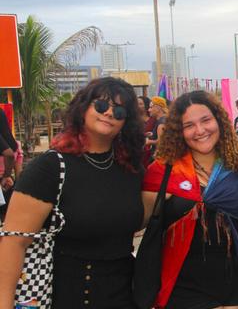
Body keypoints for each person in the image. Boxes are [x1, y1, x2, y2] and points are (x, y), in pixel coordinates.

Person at [0, 77, 145, 308]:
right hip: (68, 296)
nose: (109, 113)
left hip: (124, 296)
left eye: (119, 111)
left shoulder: (131, 169)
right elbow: (13, 243)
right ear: (83, 108)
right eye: (100, 105)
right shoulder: (51, 167)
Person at [141, 91, 238, 308]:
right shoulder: (162, 172)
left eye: (206, 120)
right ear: (179, 132)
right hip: (183, 290)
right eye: (188, 125)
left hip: (235, 286)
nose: (199, 131)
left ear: (219, 121)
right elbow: (137, 223)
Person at [138, 96, 156, 166]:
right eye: (136, 103)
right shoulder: (133, 119)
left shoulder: (153, 119)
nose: (138, 106)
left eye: (140, 104)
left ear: (146, 105)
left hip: (149, 152)